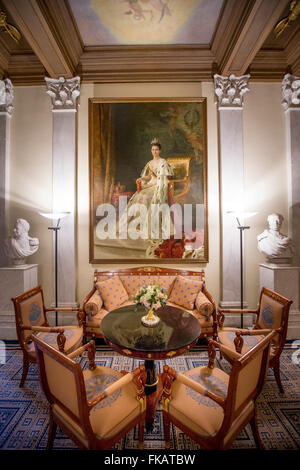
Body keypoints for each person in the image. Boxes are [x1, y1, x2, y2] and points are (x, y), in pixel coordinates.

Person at [116, 137, 174, 241]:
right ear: (151, 151)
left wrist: (147, 186)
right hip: (151, 184)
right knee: (139, 196)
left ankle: (148, 226)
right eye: (153, 150)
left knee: (147, 196)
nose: (154, 152)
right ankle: (139, 224)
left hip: (160, 186)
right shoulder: (150, 163)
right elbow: (149, 176)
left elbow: (161, 178)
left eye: (156, 149)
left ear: (160, 150)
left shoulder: (163, 162)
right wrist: (142, 178)